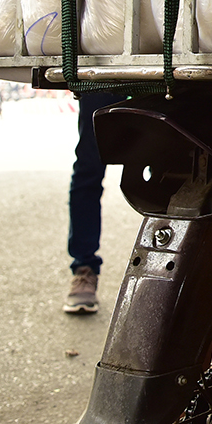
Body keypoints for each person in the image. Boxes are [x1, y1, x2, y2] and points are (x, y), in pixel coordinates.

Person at [61, 90, 123, 315]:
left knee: (169, 162)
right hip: (104, 70)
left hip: (166, 69)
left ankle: (171, 265)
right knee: (88, 167)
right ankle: (84, 266)